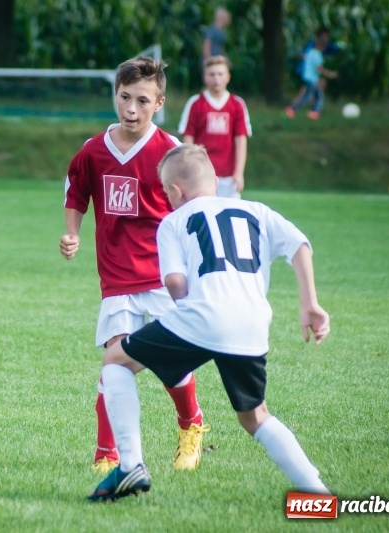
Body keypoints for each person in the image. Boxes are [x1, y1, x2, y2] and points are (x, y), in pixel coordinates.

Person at [88, 143, 332, 502]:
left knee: (115, 361)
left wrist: (188, 325)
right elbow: (299, 245)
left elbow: (174, 283)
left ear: (174, 191)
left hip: (202, 316)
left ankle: (130, 465)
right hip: (251, 322)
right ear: (215, 180)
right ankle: (318, 493)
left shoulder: (174, 220)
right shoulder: (257, 211)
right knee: (255, 417)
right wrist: (309, 303)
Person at [60, 57, 208, 475]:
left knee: (170, 362)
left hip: (165, 276)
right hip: (117, 276)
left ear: (159, 102)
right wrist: (71, 233)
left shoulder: (171, 153)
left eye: (142, 101)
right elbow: (76, 193)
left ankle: (191, 424)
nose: (131, 108)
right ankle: (106, 454)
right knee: (114, 359)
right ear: (115, 94)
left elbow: (194, 209)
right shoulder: (92, 151)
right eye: (124, 97)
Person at [177, 55, 251, 199]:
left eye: (220, 74)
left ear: (228, 77)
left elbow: (241, 140)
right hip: (201, 175)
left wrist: (239, 172)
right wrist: (191, 168)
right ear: (205, 77)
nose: (216, 78)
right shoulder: (195, 103)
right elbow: (188, 138)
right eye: (212, 74)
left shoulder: (237, 104)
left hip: (228, 177)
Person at [286, 28, 339, 120]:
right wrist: (331, 74)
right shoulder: (316, 54)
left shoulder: (311, 52)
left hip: (308, 78)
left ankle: (312, 112)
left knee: (316, 95)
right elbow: (319, 69)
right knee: (309, 97)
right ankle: (294, 109)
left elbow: (305, 57)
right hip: (311, 79)